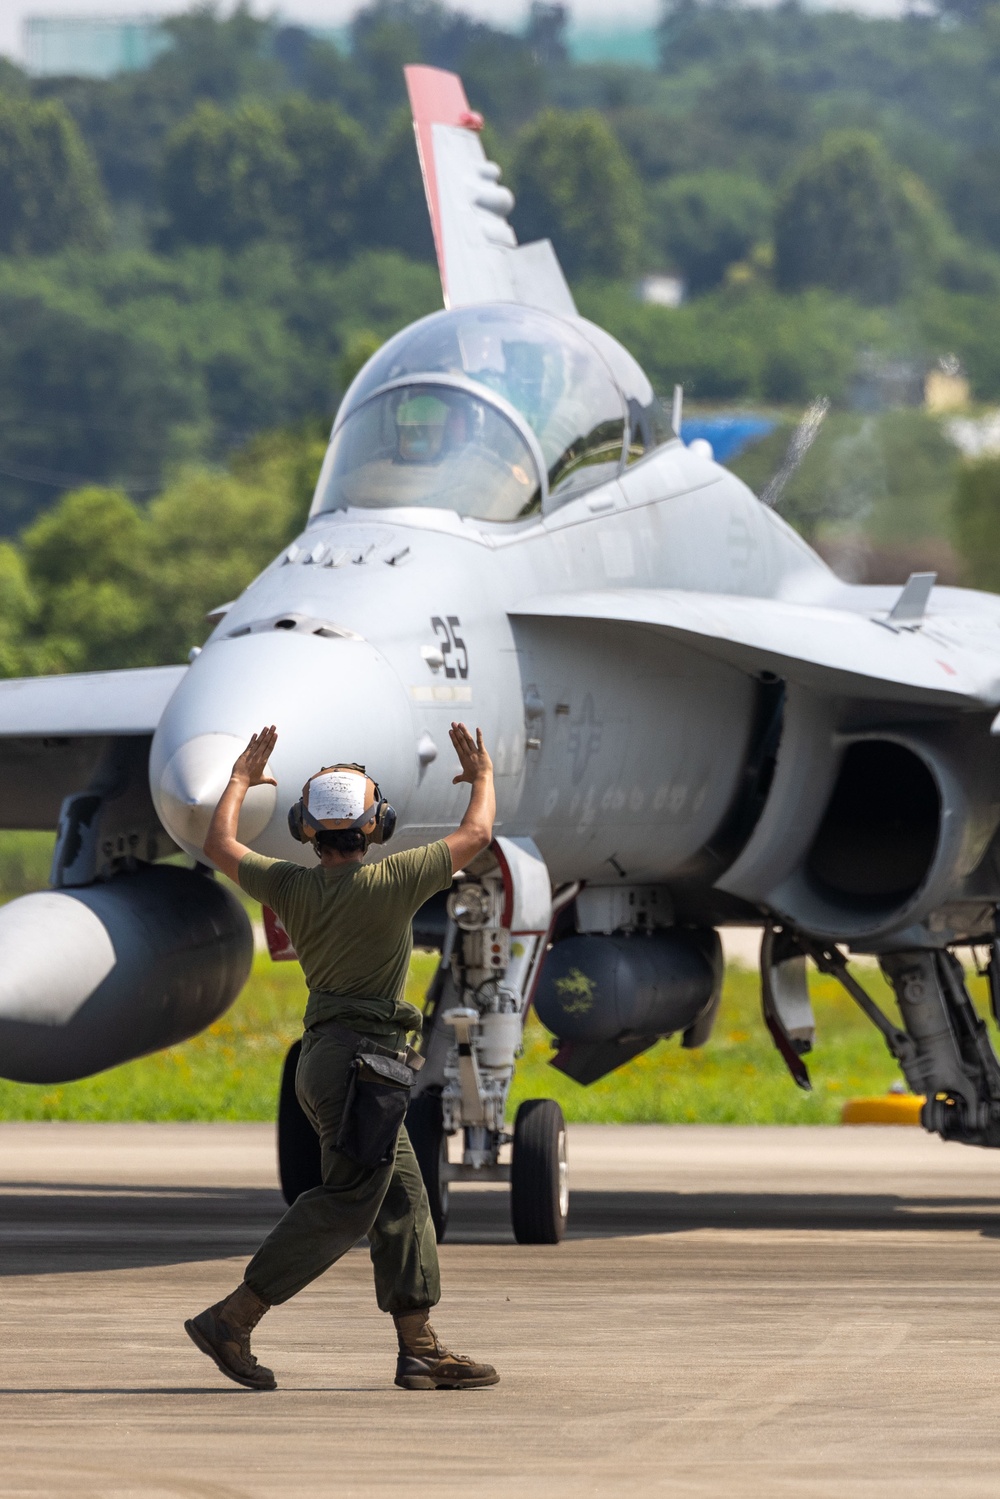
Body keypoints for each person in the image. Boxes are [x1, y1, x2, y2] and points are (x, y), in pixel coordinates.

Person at [184, 721, 498, 1392]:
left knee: (404, 1200)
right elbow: (476, 836)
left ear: (307, 827)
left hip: (336, 1064)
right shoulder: (394, 880)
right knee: (351, 1200)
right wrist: (483, 778)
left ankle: (420, 1348)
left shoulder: (290, 888)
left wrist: (240, 778)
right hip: (363, 1067)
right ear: (375, 824)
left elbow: (218, 843)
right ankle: (234, 1316)